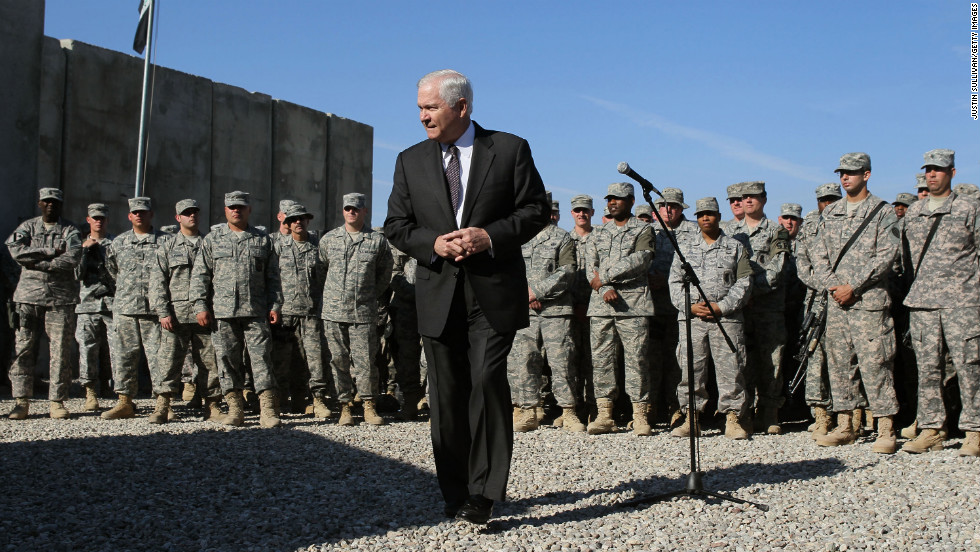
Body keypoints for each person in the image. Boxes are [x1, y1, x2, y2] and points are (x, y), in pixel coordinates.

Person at [384, 69, 549, 525]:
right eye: (419, 107)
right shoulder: (409, 160)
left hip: (492, 292)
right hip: (437, 293)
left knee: (487, 382)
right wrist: (432, 244)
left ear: (461, 107)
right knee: (447, 395)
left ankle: (484, 493)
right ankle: (454, 491)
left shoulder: (510, 149)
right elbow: (396, 225)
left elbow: (535, 209)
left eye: (430, 107)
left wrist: (489, 236)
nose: (422, 116)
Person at [812, 153, 900, 454]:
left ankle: (886, 427)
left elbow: (886, 254)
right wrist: (833, 286)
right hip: (837, 303)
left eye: (852, 172)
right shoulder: (831, 212)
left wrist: (854, 286)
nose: (845, 178)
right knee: (839, 365)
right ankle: (846, 425)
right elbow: (818, 254)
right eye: (842, 173)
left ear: (867, 175)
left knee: (876, 364)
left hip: (868, 302)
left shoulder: (882, 212)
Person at [901, 149, 980, 456]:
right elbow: (906, 259)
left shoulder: (968, 209)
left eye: (939, 169)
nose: (932, 174)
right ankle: (933, 428)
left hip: (962, 301)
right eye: (929, 170)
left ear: (952, 173)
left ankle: (975, 430)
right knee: (928, 368)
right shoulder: (915, 212)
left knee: (969, 366)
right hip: (923, 302)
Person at [190, 191, 283, 428]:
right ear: (225, 210)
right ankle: (235, 408)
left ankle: (268, 410)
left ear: (249, 209)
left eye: (241, 206)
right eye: (232, 207)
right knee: (227, 360)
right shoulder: (212, 239)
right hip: (223, 313)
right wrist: (200, 306)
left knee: (262, 360)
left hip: (256, 311)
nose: (236, 210)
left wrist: (275, 305)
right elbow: (200, 276)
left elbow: (274, 278)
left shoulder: (262, 240)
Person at [668, 197, 752, 439]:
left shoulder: (735, 247)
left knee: (731, 368)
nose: (706, 218)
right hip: (692, 320)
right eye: (701, 214)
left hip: (726, 318)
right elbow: (674, 282)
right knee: (691, 369)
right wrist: (690, 307)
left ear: (718, 216)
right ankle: (691, 418)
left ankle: (733, 418)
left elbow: (745, 282)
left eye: (711, 213)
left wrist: (722, 306)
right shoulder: (684, 248)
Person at [585, 182, 656, 436]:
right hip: (601, 306)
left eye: (618, 199)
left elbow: (641, 259)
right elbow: (588, 268)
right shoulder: (597, 233)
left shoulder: (644, 229)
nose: (612, 203)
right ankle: (605, 414)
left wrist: (604, 277)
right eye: (610, 199)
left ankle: (640, 415)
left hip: (633, 305)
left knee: (637, 360)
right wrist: (603, 288)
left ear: (631, 201)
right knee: (601, 360)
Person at [507, 192, 581, 432]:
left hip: (556, 311)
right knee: (525, 360)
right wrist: (524, 295)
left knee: (562, 362)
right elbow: (508, 271)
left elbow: (568, 272)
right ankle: (529, 410)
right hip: (524, 311)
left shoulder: (562, 238)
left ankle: (568, 411)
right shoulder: (517, 238)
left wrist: (536, 292)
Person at [5, 188, 82, 420]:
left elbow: (72, 258)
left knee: (60, 351)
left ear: (60, 205)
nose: (51, 206)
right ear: (39, 204)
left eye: (55, 203)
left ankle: (57, 401)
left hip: (60, 299)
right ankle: (21, 401)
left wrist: (40, 263)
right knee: (23, 349)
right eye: (47, 202)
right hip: (28, 298)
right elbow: (16, 252)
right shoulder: (27, 228)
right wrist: (49, 252)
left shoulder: (70, 230)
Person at [320, 193, 393, 426]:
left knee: (365, 361)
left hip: (363, 312)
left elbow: (385, 274)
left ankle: (369, 405)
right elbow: (322, 270)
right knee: (338, 360)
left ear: (364, 211)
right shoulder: (329, 240)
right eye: (348, 208)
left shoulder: (377, 242)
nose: (352, 212)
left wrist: (368, 295)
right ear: (343, 211)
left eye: (356, 209)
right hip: (333, 312)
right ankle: (344, 406)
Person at [727, 181, 791, 434]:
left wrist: (751, 290)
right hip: (740, 307)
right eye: (744, 197)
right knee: (741, 360)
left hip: (767, 306)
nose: (748, 201)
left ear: (764, 199)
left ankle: (770, 411)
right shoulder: (730, 232)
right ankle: (744, 412)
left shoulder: (777, 231)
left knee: (771, 359)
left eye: (754, 196)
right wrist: (740, 295)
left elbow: (778, 267)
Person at [153, 199, 223, 421]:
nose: (192, 216)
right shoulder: (167, 247)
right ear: (178, 218)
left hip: (205, 315)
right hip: (176, 315)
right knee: (169, 361)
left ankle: (212, 405)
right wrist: (163, 312)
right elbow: (157, 282)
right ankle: (163, 405)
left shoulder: (209, 244)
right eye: (186, 213)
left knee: (209, 363)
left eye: (195, 212)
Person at [75, 203, 115, 411]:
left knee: (115, 350)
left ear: (107, 220)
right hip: (87, 305)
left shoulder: (115, 244)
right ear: (89, 220)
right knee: (88, 349)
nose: (99, 221)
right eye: (95, 218)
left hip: (111, 304)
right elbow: (76, 275)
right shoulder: (79, 244)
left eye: (102, 218)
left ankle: (116, 389)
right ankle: (90, 391)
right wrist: (84, 252)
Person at [568, 194, 597, 415]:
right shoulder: (564, 239)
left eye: (585, 210)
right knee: (570, 357)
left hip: (595, 306)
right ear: (572, 214)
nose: (581, 214)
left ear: (592, 213)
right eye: (578, 210)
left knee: (594, 359)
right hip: (568, 307)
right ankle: (573, 404)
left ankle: (594, 405)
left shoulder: (600, 238)